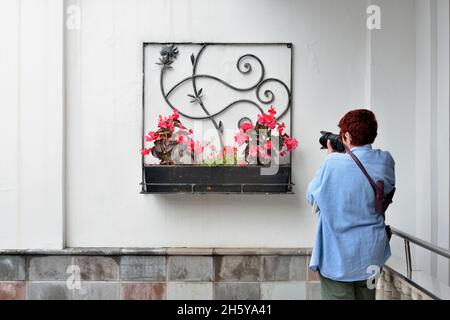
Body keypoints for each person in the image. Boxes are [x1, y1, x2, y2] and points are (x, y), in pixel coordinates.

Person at [306, 109, 395, 300]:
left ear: (346, 135)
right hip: (372, 256)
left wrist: (331, 156)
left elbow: (311, 196)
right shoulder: (386, 160)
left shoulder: (333, 163)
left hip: (338, 259)